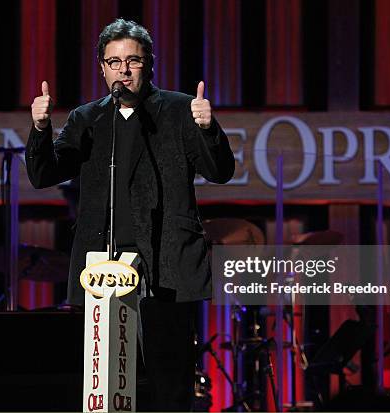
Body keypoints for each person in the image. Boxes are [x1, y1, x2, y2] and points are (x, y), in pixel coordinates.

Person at [26, 18, 234, 411]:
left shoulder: (177, 109)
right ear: (102, 68)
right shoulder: (87, 118)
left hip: (165, 262)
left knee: (169, 382)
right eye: (114, 61)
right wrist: (40, 128)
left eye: (133, 60)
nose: (123, 69)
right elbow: (43, 174)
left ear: (148, 64)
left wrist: (208, 128)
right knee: (108, 381)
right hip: (102, 265)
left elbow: (220, 172)